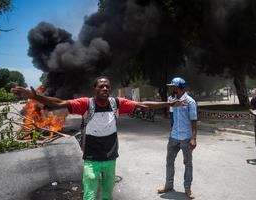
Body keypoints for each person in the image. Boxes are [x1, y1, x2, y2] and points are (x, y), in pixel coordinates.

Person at [11, 76, 186, 200]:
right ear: (94, 89)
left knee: (107, 195)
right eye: (101, 86)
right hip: (91, 159)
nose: (104, 88)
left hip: (110, 158)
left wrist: (170, 104)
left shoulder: (116, 103)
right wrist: (35, 96)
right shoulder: (86, 103)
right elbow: (59, 103)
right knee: (89, 194)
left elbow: (143, 104)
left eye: (107, 86)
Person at [157, 77, 197, 199]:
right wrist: (171, 131)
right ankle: (168, 185)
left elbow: (194, 121)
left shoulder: (190, 102)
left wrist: (193, 138)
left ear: (178, 87)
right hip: (174, 137)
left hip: (186, 137)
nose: (171, 88)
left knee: (188, 163)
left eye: (173, 86)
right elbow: (172, 117)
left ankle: (187, 188)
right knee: (169, 161)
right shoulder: (171, 100)